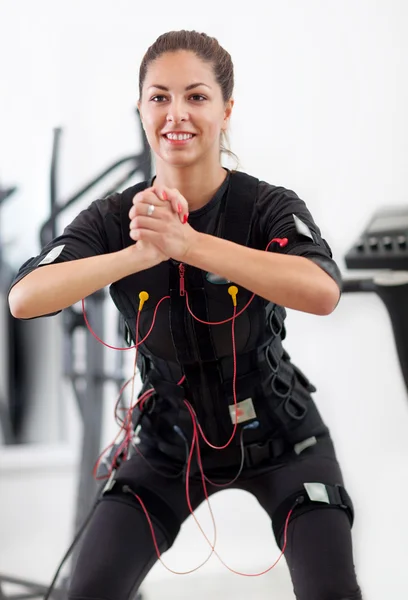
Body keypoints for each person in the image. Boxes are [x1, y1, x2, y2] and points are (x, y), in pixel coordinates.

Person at [8, 30, 363, 600]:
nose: (177, 113)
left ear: (226, 109)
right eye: (159, 97)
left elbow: (321, 290)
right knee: (88, 590)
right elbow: (24, 298)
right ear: (141, 108)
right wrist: (140, 253)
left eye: (197, 97)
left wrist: (188, 245)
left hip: (282, 440)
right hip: (169, 447)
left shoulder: (267, 205)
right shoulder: (113, 218)